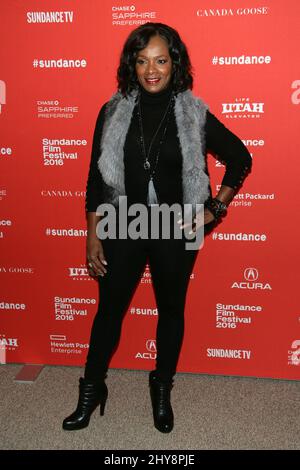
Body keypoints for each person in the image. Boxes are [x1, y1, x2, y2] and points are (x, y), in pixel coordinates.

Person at [62, 22, 252, 433]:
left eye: (161, 60)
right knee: (108, 313)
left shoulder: (193, 113)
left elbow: (240, 158)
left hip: (175, 227)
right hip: (122, 222)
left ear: (174, 63)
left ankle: (161, 388)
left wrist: (214, 208)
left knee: (171, 312)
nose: (152, 70)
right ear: (131, 65)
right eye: (143, 60)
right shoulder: (112, 112)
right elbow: (96, 180)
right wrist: (93, 232)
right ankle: (92, 391)